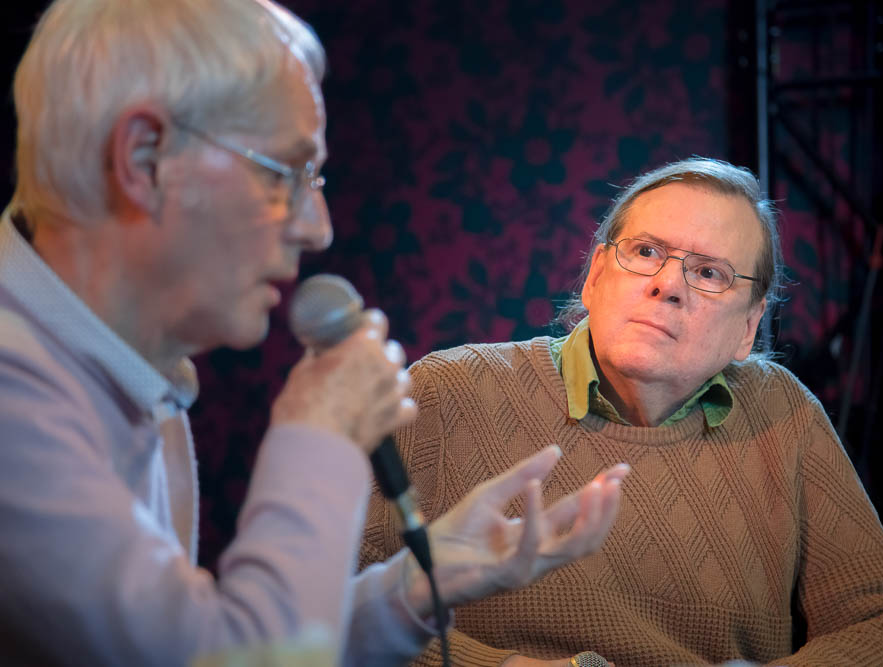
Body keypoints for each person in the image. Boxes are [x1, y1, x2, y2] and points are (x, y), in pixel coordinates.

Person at [0, 1, 629, 665]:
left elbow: (210, 637)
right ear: (145, 157)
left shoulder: (111, 360)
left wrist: (422, 582)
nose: (317, 227)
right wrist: (322, 430)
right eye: (283, 173)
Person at [360, 158, 883, 666]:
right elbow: (330, 609)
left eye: (709, 273)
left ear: (748, 327)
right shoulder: (447, 391)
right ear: (596, 277)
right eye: (646, 252)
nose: (667, 285)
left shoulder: (783, 412)